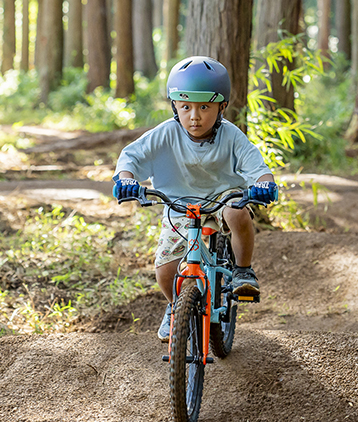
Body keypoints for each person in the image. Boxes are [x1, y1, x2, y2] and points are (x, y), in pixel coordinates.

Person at [113, 56, 278, 342]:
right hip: (179, 204)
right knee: (165, 271)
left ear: (221, 107)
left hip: (222, 197)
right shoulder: (165, 134)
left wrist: (264, 185)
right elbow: (132, 157)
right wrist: (126, 180)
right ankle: (175, 306)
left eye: (204, 107)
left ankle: (243, 271)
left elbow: (257, 168)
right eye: (186, 106)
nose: (194, 116)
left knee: (237, 212)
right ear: (174, 106)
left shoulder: (231, 136)